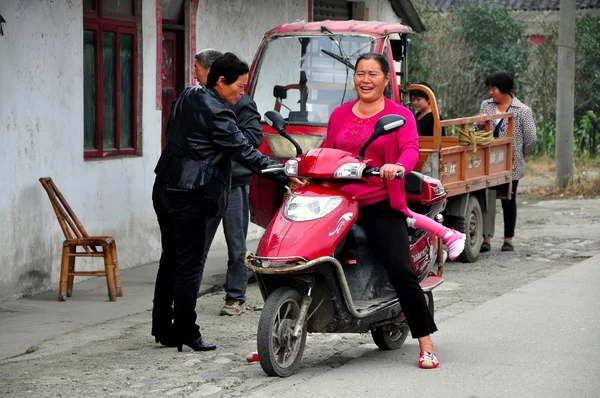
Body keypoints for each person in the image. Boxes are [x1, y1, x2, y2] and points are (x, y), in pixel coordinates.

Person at [151, 53, 302, 352]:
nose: (242, 92)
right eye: (240, 86)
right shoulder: (217, 111)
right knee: (190, 265)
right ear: (221, 81)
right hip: (191, 192)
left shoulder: (187, 94)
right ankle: (185, 330)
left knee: (171, 259)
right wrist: (285, 175)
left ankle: (162, 328)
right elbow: (245, 151)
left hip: (166, 186)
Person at [325, 53, 465, 369]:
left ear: (387, 80)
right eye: (360, 73)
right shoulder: (339, 114)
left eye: (373, 73)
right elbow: (328, 151)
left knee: (399, 269)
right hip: (338, 202)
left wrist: (398, 167)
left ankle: (426, 344)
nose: (365, 79)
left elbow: (410, 149)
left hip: (379, 202)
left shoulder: (400, 115)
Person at [193, 49, 262, 316]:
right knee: (199, 243)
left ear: (214, 74)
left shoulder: (241, 101)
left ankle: (235, 297)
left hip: (234, 184)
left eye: (197, 67)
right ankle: (187, 295)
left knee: (236, 244)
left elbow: (254, 137)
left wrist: (226, 144)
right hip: (208, 184)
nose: (194, 73)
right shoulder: (198, 100)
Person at [477, 71, 537, 252]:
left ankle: (508, 239)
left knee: (508, 199)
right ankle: (486, 238)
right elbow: (476, 130)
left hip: (511, 163)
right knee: (486, 199)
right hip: (487, 162)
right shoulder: (486, 106)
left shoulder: (522, 110)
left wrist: (518, 154)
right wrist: (478, 126)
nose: (491, 93)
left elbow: (531, 138)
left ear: (504, 89)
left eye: (494, 89)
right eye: (489, 89)